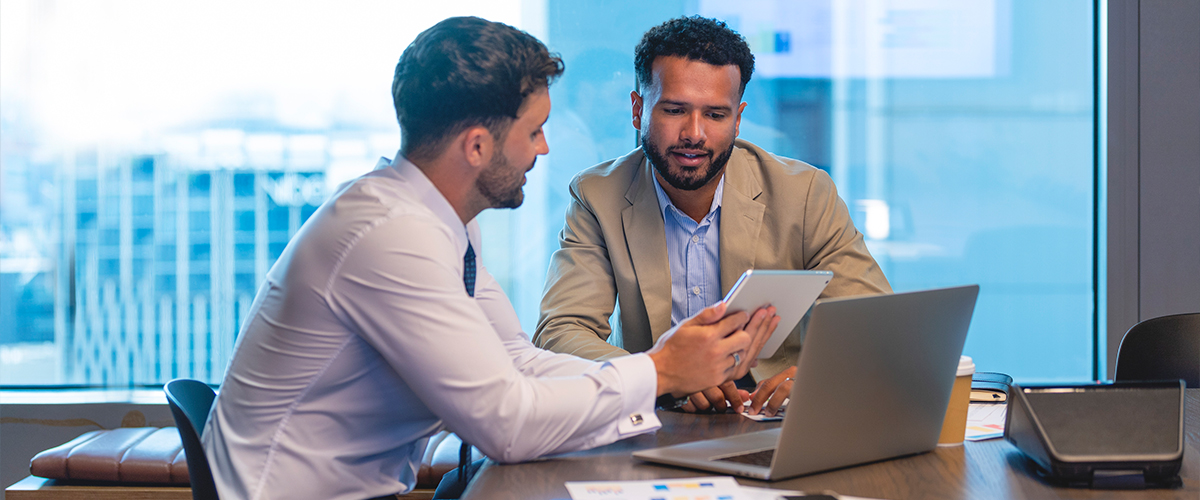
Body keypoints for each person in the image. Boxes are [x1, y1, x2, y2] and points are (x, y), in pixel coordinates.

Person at [202, 16, 778, 500]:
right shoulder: (390, 238)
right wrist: (661, 371)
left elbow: (515, 362)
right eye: (533, 132)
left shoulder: (438, 220)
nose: (544, 148)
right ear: (478, 146)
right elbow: (505, 425)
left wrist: (660, 368)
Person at [534, 16, 891, 418]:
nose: (695, 133)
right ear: (638, 111)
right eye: (674, 110)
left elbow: (874, 324)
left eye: (716, 115)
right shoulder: (597, 196)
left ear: (738, 119)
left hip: (773, 418)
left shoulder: (805, 193)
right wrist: (663, 375)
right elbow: (561, 332)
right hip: (657, 418)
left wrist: (820, 377)